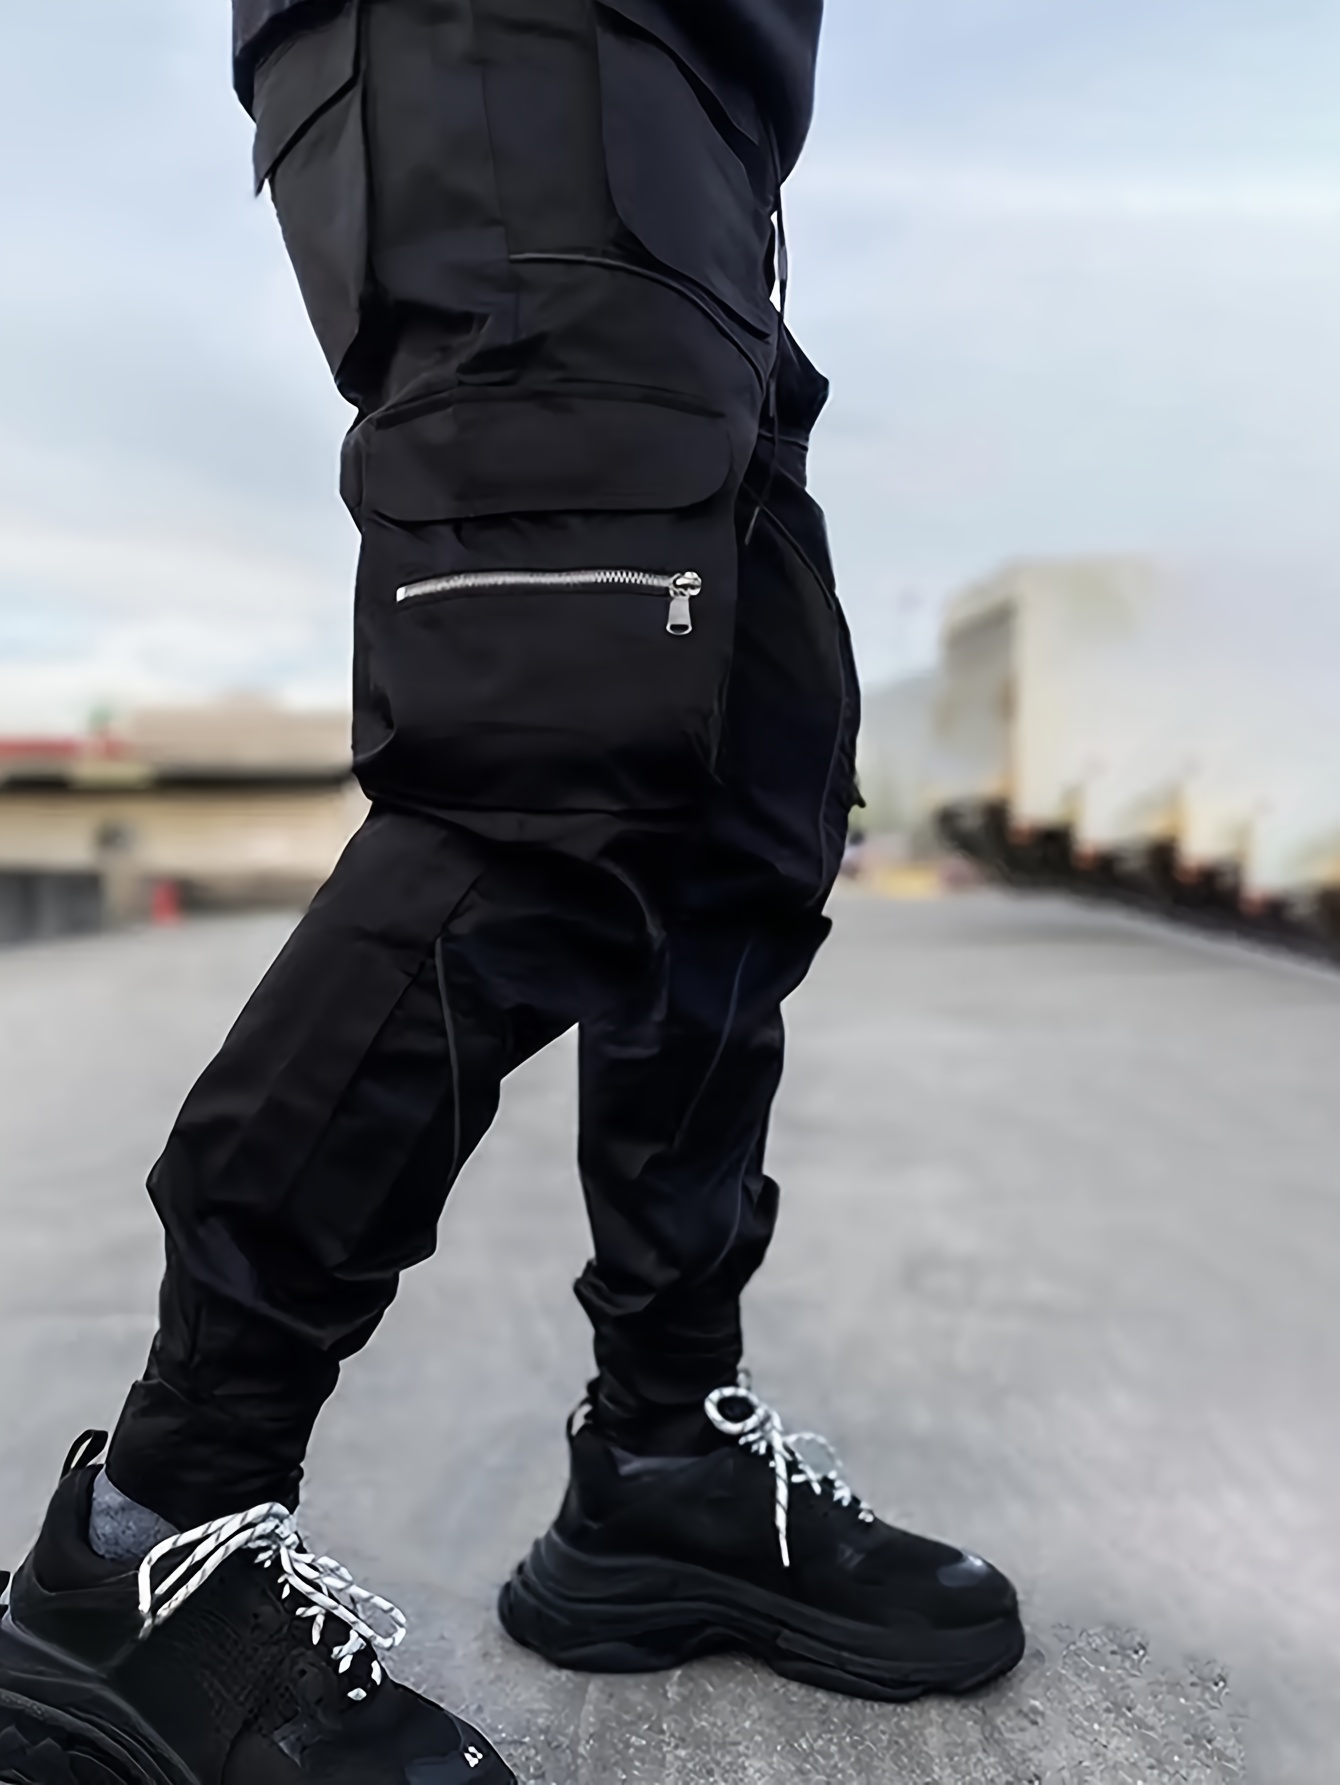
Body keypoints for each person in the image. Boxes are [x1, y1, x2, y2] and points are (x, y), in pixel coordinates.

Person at [0, 2, 1025, 1778]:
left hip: (703, 138)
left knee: (744, 825)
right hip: (524, 63)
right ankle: (152, 1541)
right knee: (540, 777)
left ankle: (662, 1462)